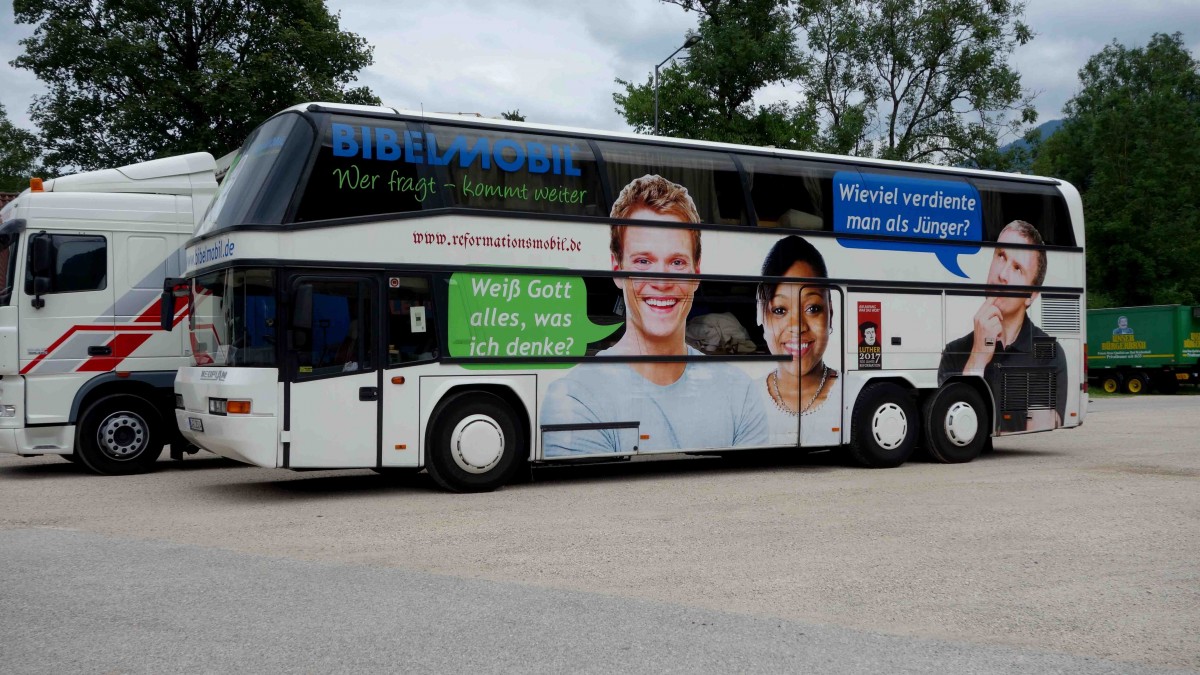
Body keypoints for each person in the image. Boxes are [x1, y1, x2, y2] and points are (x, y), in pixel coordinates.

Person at [541, 175, 768, 456]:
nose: (661, 282)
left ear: (696, 272)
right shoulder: (575, 396)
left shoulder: (740, 393)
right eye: (644, 261)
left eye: (676, 262)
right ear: (616, 269)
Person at [937, 220, 1067, 432]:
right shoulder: (954, 352)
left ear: (1030, 296)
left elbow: (1036, 433)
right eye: (1000, 256)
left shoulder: (1048, 352)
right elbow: (951, 426)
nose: (1002, 275)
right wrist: (977, 358)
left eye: (1017, 268)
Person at [757, 235, 841, 445]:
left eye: (812, 308)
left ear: (830, 310)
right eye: (780, 310)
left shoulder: (853, 393)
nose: (797, 327)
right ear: (761, 314)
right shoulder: (744, 399)